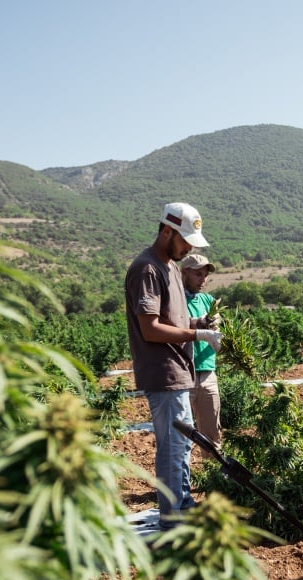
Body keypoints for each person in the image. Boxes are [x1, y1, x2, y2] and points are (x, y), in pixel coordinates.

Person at [125, 202, 222, 530]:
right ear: (166, 231)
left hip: (180, 371)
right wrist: (198, 333)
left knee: (181, 445)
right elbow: (150, 328)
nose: (188, 248)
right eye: (185, 241)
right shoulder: (147, 268)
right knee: (172, 447)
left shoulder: (168, 267)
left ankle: (182, 505)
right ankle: (172, 519)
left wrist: (200, 322)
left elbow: (173, 319)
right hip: (164, 372)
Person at [180, 253, 221, 453]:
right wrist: (200, 324)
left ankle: (212, 475)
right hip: (183, 374)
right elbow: (176, 324)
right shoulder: (174, 299)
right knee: (181, 433)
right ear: (184, 272)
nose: (202, 280)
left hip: (207, 373)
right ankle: (179, 479)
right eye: (198, 275)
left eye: (205, 275)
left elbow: (218, 323)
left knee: (212, 432)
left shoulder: (208, 300)